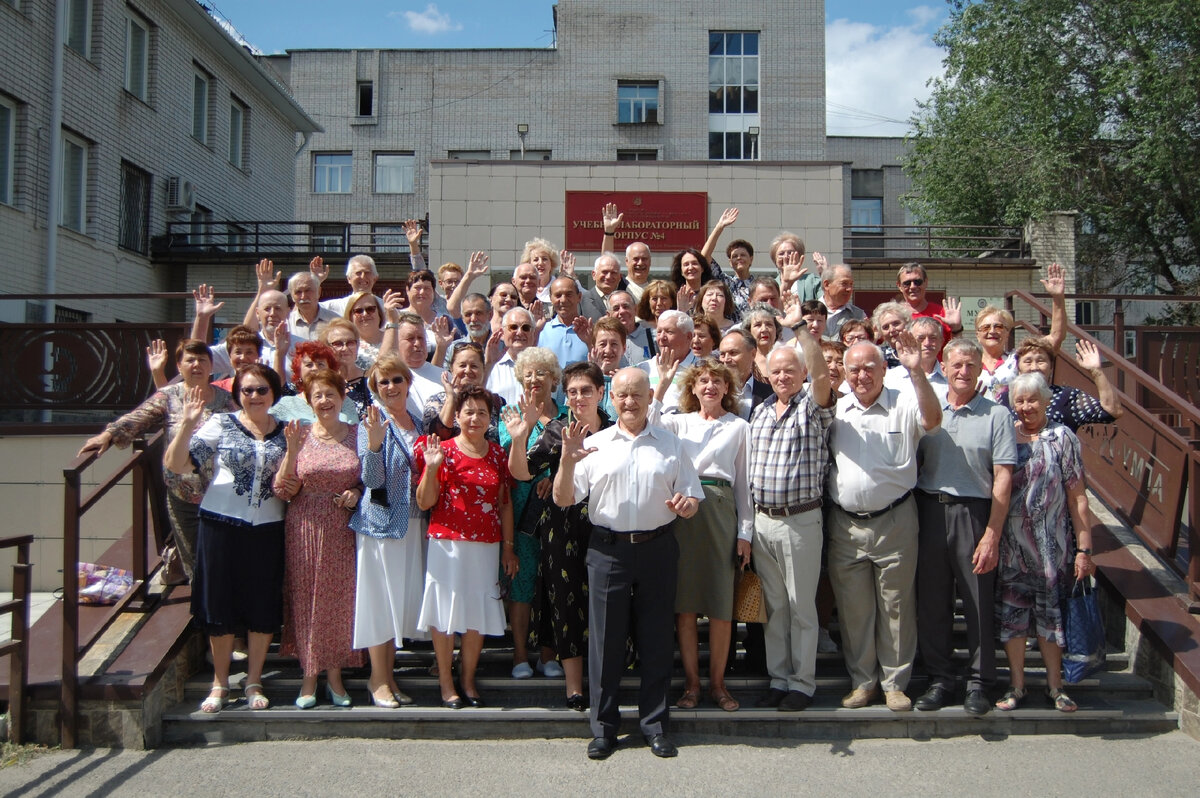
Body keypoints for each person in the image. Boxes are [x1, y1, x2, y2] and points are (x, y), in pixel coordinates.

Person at [553, 368, 703, 760]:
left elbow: (692, 498)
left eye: (638, 394)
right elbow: (564, 499)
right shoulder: (595, 444)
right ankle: (604, 729)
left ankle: (655, 726)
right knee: (605, 642)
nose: (630, 402)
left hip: (658, 548)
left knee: (656, 639)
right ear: (611, 399)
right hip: (607, 551)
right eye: (623, 395)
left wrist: (687, 506)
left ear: (650, 396)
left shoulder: (672, 444)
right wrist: (567, 463)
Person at [165, 363, 288, 713]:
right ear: (237, 394)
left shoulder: (287, 432)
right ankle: (220, 682)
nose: (253, 396)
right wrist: (187, 425)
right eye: (246, 390)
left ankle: (253, 680)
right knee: (219, 603)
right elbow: (177, 464)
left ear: (274, 393)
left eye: (261, 390)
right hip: (221, 524)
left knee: (261, 603)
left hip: (267, 527)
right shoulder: (221, 424)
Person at [826, 337, 941, 712]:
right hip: (846, 524)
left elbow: (934, 421)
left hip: (895, 519)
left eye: (869, 367)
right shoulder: (836, 410)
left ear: (883, 370)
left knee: (896, 605)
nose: (862, 376)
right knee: (854, 609)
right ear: (844, 372)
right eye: (854, 369)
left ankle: (894, 684)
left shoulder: (904, 402)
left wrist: (917, 373)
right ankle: (863, 682)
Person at [913, 339, 1016, 716]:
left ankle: (979, 682)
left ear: (980, 369)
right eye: (957, 364)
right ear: (944, 364)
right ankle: (940, 678)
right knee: (932, 604)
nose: (964, 371)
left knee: (977, 604)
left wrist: (992, 532)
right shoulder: (929, 409)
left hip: (974, 514)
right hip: (929, 511)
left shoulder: (997, 415)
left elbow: (1003, 476)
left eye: (971, 365)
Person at [79, 339, 236, 581]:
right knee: (196, 562)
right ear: (179, 366)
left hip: (224, 493)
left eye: (202, 360)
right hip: (184, 494)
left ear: (211, 366)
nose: (196, 365)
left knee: (225, 558)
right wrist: (108, 434)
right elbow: (139, 416)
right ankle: (204, 613)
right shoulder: (169, 396)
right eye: (190, 360)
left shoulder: (227, 400)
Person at [505, 362, 613, 711]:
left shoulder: (615, 430)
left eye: (586, 390)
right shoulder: (557, 430)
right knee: (565, 602)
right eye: (572, 392)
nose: (579, 397)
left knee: (604, 604)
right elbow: (522, 472)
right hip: (561, 526)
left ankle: (602, 680)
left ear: (601, 393)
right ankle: (573, 689)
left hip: (606, 526)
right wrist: (521, 435)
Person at [652, 359, 753, 713]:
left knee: (722, 606)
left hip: (721, 510)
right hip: (682, 512)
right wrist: (662, 385)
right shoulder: (678, 422)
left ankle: (718, 684)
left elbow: (743, 484)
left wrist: (745, 534)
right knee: (686, 606)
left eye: (717, 381)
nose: (710, 386)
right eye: (703, 381)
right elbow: (649, 426)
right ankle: (692, 684)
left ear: (727, 389)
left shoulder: (740, 426)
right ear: (693, 388)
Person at [995, 372, 1097, 713]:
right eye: (1019, 401)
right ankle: (1017, 686)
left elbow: (1077, 497)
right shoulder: (1006, 434)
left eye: (1032, 400)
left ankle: (1057, 687)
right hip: (1011, 547)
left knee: (1050, 620)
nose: (1026, 407)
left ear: (1046, 401)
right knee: (1013, 619)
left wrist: (1084, 548)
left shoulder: (1061, 437)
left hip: (1051, 546)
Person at [415, 385, 519, 709]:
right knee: (445, 613)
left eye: (482, 413)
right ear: (457, 415)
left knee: (476, 614)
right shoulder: (440, 449)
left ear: (490, 418)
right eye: (469, 411)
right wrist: (431, 468)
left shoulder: (498, 453)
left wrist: (508, 547)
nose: (475, 418)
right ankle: (446, 681)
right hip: (448, 545)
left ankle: (468, 679)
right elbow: (425, 501)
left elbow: (505, 504)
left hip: (486, 545)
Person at [748, 334, 836, 711]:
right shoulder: (761, 410)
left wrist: (801, 328)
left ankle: (802, 683)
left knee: (802, 607)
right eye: (776, 371)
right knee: (775, 608)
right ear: (767, 374)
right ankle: (779, 678)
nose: (783, 376)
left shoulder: (812, 408)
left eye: (790, 370)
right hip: (763, 522)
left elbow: (821, 378)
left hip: (800, 521)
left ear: (802, 373)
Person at [274, 369, 364, 708]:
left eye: (330, 394)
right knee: (307, 598)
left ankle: (336, 675)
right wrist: (291, 450)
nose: (324, 401)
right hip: (305, 525)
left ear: (342, 398)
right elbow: (281, 488)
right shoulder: (300, 435)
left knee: (341, 601)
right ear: (309, 403)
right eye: (318, 396)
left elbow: (369, 480)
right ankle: (309, 675)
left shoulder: (356, 434)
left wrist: (355, 491)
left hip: (344, 526)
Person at [349, 355, 427, 708]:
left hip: (412, 523)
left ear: (408, 383)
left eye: (397, 380)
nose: (392, 387)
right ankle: (377, 679)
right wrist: (376, 444)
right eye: (384, 383)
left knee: (397, 602)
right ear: (375, 389)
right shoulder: (371, 421)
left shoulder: (419, 422)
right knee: (379, 602)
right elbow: (371, 481)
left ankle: (389, 677)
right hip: (380, 524)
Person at [497, 347, 563, 680]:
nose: (535, 380)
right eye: (528, 374)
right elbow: (509, 468)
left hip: (559, 513)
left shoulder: (568, 415)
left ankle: (548, 655)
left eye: (542, 373)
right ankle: (520, 654)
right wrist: (524, 428)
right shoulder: (508, 415)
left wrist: (554, 477)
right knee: (521, 583)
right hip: (521, 512)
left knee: (553, 583)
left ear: (554, 379)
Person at [975, 262, 1067, 403]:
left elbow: (1056, 337)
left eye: (999, 327)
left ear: (1007, 333)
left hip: (1014, 422)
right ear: (977, 334)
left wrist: (1058, 298)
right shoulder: (969, 362)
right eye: (986, 327)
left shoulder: (1016, 359)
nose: (992, 331)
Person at [1008, 338, 1123, 431]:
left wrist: (1096, 372)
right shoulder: (1006, 397)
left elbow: (1113, 411)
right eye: (1028, 362)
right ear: (1018, 367)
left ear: (1051, 367)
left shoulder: (1067, 396)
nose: (1034, 367)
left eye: (1041, 361)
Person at [425, 342, 504, 444]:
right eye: (462, 365)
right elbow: (438, 436)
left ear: (483, 370)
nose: (468, 370)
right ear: (452, 369)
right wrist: (451, 399)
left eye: (474, 366)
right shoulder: (437, 401)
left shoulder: (495, 402)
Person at [269, 340, 360, 424]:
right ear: (299, 371)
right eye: (309, 365)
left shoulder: (344, 402)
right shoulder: (285, 405)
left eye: (320, 364)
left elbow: (354, 433)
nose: (315, 368)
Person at [637, 309, 696, 412]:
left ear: (688, 336)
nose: (662, 337)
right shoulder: (644, 369)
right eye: (659, 332)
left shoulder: (702, 369)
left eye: (669, 332)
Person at [895, 262, 962, 344]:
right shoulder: (893, 316)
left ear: (926, 282)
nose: (912, 286)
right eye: (907, 283)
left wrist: (956, 329)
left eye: (917, 282)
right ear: (899, 286)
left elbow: (956, 350)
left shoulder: (942, 314)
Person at [884, 317, 948, 398]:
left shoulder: (951, 379)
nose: (927, 343)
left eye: (933, 338)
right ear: (909, 340)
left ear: (941, 342)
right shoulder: (891, 378)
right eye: (921, 338)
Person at [320, 319, 372, 418]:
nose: (345, 348)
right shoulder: (323, 384)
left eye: (350, 343)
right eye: (338, 344)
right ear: (327, 348)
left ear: (357, 346)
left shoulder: (372, 380)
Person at [600, 203, 651, 302]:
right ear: (627, 261)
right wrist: (609, 231)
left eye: (644, 259)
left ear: (650, 261)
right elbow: (607, 261)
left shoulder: (655, 291)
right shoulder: (618, 285)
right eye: (636, 259)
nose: (640, 263)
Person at [718, 327, 772, 419]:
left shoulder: (770, 394)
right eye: (722, 354)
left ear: (753, 354)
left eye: (733, 353)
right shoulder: (712, 392)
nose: (726, 360)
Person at [486, 306, 535, 407]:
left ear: (533, 333)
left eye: (526, 328)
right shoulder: (490, 367)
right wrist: (488, 364)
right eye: (513, 327)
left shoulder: (545, 367)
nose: (519, 332)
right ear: (502, 333)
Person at [539, 276, 591, 370]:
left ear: (579, 297)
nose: (563, 300)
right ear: (551, 298)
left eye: (569, 295)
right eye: (558, 295)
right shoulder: (541, 332)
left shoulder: (590, 332)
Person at [816, 260, 866, 340]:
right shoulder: (807, 312)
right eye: (844, 283)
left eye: (851, 284)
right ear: (827, 285)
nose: (849, 289)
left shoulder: (859, 315)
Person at [590, 316, 627, 419]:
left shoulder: (631, 381)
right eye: (603, 344)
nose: (608, 350)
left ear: (624, 348)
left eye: (614, 344)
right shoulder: (582, 380)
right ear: (594, 348)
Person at [606, 290, 656, 362]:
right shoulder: (604, 342)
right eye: (616, 308)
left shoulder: (653, 336)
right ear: (608, 315)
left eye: (626, 306)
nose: (622, 311)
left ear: (635, 309)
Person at [343, 290, 386, 366]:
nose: (365, 314)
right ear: (350, 317)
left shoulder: (395, 338)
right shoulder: (345, 346)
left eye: (370, 309)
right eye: (358, 311)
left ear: (379, 312)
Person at [743, 303, 785, 379]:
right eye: (758, 325)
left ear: (776, 329)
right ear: (749, 330)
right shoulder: (745, 363)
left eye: (769, 324)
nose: (764, 329)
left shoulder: (786, 358)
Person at [669, 247, 715, 314]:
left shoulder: (711, 294)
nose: (690, 268)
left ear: (702, 268)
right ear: (681, 271)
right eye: (686, 264)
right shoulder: (673, 295)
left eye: (694, 263)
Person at [581, 254, 625, 322]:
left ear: (620, 277)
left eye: (613, 273)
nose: (608, 277)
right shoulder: (582, 301)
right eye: (604, 272)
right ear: (594, 274)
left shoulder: (626, 300)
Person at [871, 301, 911, 367]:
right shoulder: (879, 356)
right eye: (886, 327)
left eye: (896, 323)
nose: (892, 330)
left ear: (907, 322)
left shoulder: (920, 350)